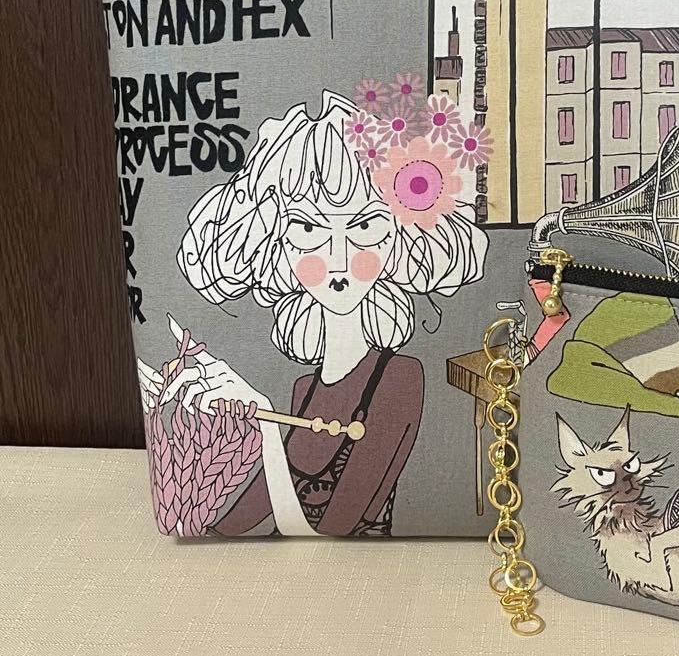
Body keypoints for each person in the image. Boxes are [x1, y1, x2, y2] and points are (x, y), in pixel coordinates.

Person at [140, 89, 487, 535]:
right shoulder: (304, 389)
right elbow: (233, 524)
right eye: (307, 228)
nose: (338, 259)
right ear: (275, 244)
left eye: (365, 226)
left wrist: (266, 426)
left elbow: (332, 529)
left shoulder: (400, 379)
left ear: (399, 237)